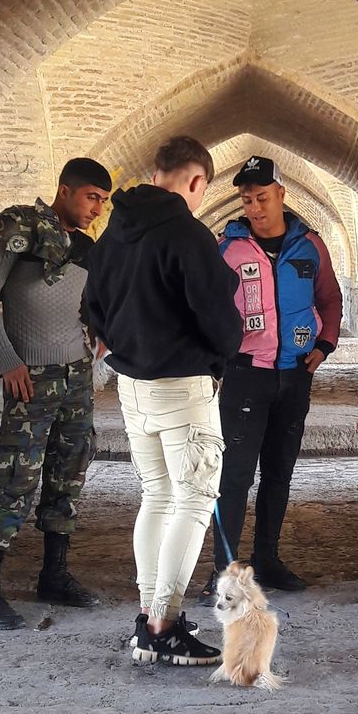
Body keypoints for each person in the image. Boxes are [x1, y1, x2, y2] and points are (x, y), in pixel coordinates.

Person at [83, 136, 242, 666]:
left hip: (132, 387)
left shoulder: (114, 231)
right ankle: (163, 624)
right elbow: (220, 319)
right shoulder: (187, 235)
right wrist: (222, 355)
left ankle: (148, 617)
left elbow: (92, 304)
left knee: (156, 496)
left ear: (156, 174)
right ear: (197, 181)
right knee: (193, 501)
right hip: (183, 387)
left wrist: (121, 347)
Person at [0, 157, 112, 630]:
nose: (97, 209)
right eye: (91, 197)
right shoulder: (16, 228)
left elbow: (89, 303)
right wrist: (8, 361)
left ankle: (54, 576)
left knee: (69, 474)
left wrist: (100, 333)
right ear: (65, 190)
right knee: (15, 477)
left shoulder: (85, 248)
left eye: (103, 201)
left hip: (76, 375)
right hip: (30, 375)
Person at [197, 155, 342, 605]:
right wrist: (217, 357)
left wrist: (324, 344)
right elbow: (207, 308)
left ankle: (268, 558)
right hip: (245, 375)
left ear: (281, 194)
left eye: (262, 197)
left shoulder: (310, 246)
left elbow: (330, 297)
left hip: (295, 376)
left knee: (279, 474)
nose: (255, 207)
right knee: (234, 477)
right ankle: (224, 571)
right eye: (247, 199)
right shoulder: (227, 249)